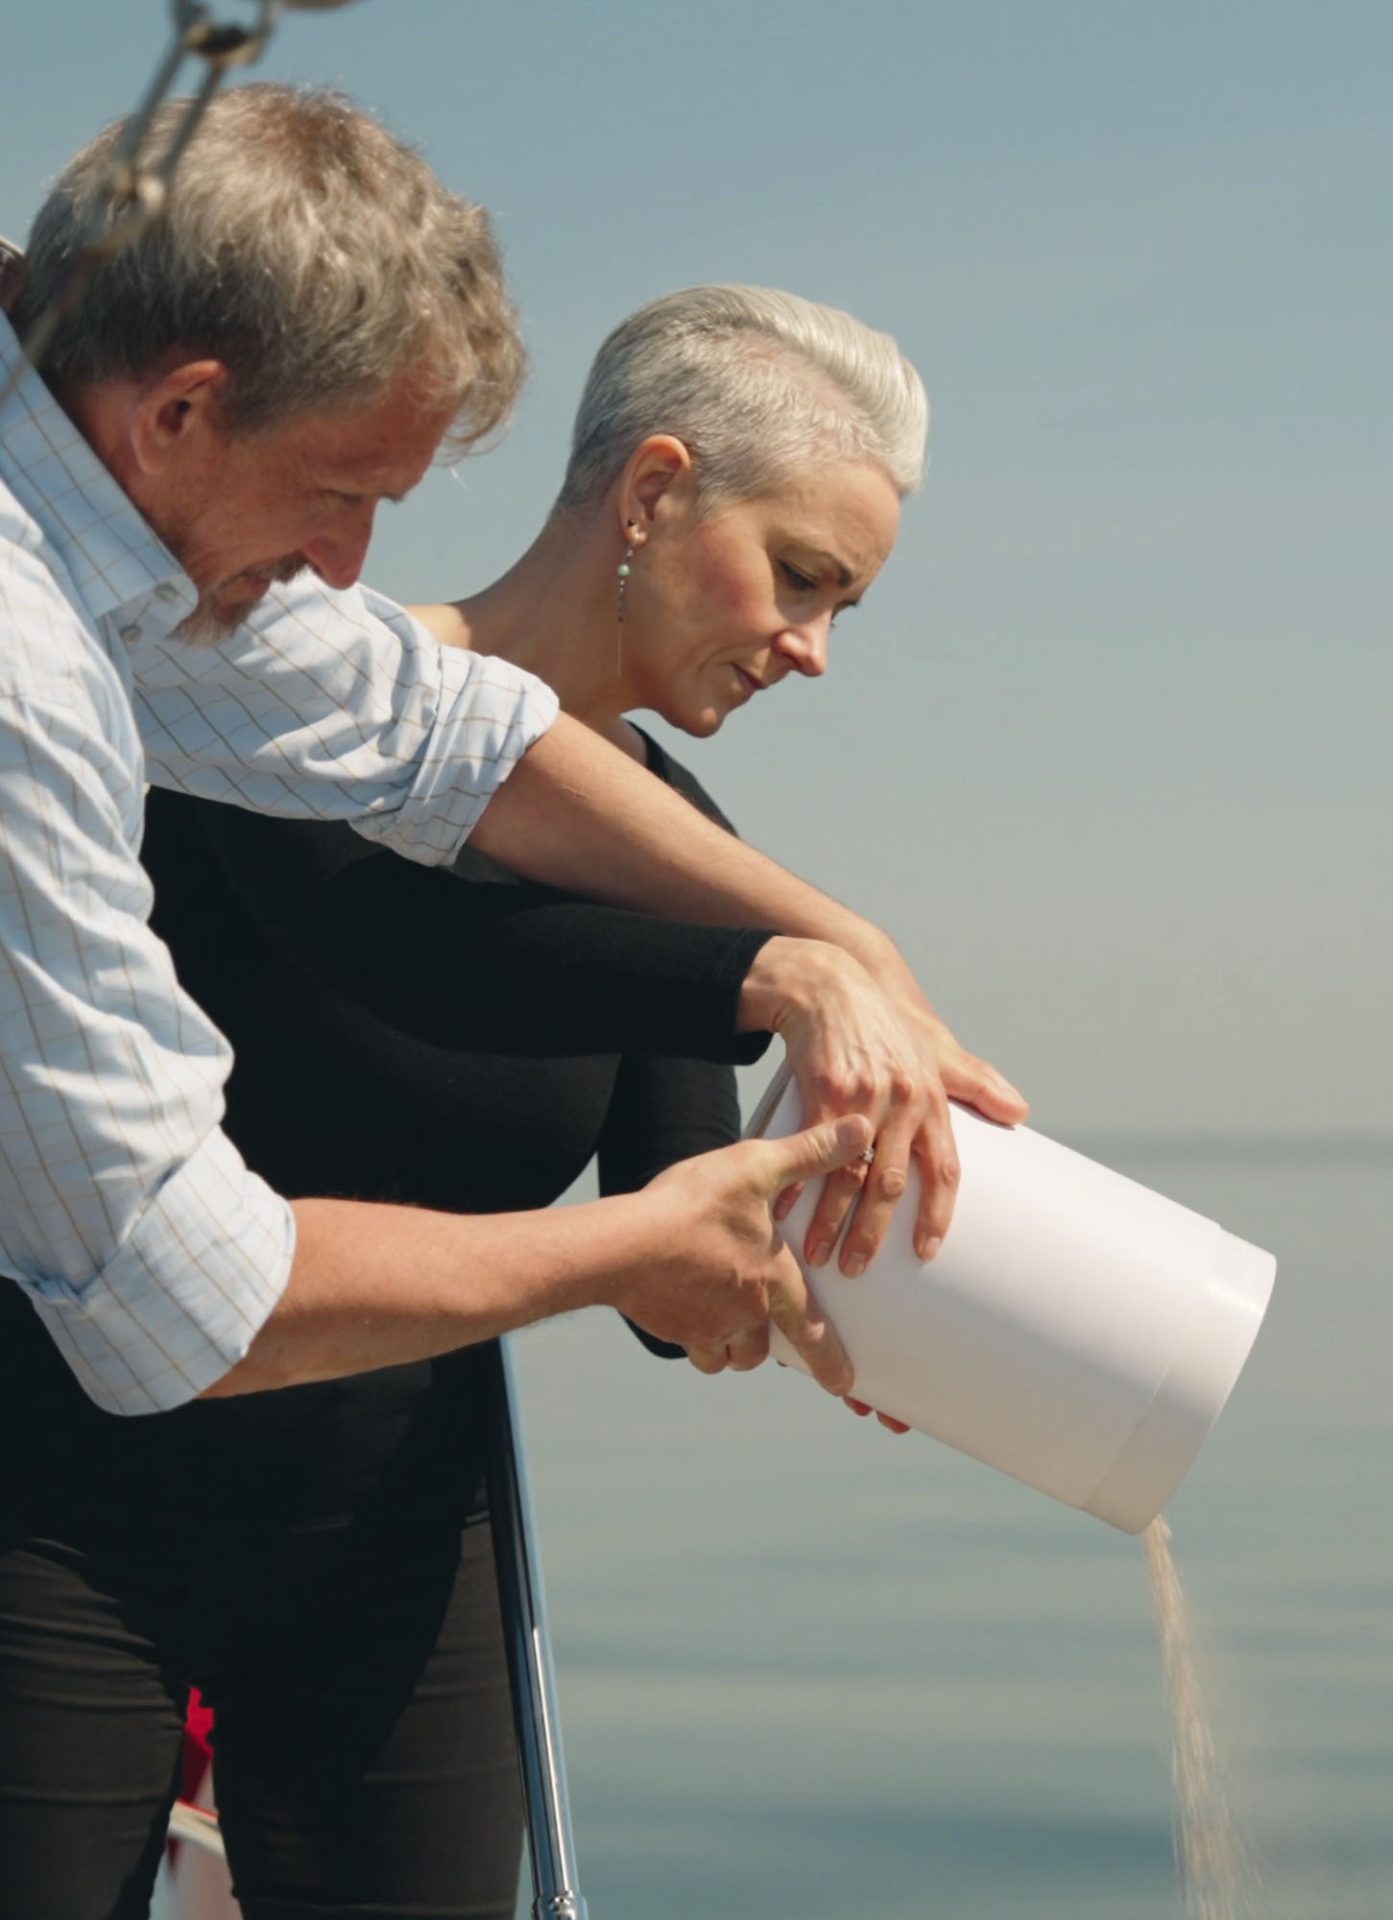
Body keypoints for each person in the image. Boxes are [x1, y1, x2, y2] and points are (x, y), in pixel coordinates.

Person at [0, 86, 1023, 1918]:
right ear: (180, 413)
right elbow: (225, 1202)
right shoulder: (49, 665)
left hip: (380, 1515)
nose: (344, 568)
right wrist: (701, 1107)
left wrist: (906, 1230)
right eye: (344, 495)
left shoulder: (169, 583)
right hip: (64, 1477)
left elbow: (429, 732)